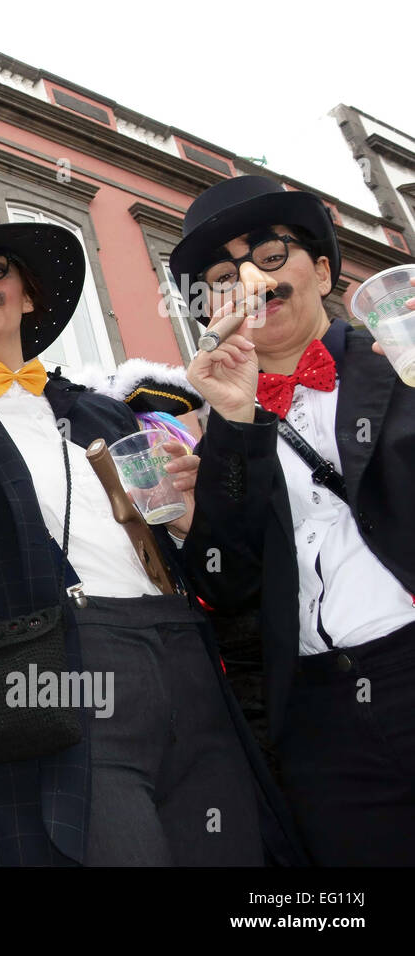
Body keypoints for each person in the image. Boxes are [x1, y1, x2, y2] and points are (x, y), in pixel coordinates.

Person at [0, 205, 295, 865]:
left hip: (181, 653)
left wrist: (217, 466)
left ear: (29, 291)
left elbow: (209, 554)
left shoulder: (102, 407)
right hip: (57, 669)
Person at [174, 175, 415, 865]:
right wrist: (234, 425)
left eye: (271, 257)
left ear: (321, 267)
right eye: (223, 276)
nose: (251, 278)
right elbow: (227, 583)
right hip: (318, 715)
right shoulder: (219, 426)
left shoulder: (396, 359)